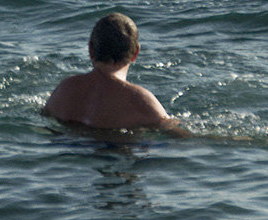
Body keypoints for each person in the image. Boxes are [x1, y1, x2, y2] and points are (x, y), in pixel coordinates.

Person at [43, 13, 190, 137]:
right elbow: (180, 136)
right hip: (115, 153)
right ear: (135, 53)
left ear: (90, 49)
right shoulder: (140, 100)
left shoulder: (64, 90)